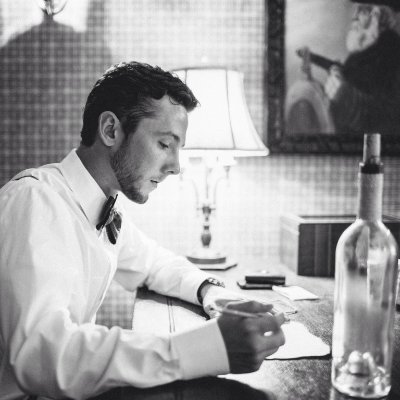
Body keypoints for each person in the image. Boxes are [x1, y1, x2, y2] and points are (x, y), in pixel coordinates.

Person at [0, 61, 285, 400]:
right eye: (165, 144)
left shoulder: (101, 204)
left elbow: (153, 263)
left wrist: (211, 291)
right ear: (110, 130)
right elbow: (42, 356)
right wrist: (206, 347)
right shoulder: (35, 201)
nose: (176, 167)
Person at [324, 0, 400, 135]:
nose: (355, 17)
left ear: (377, 16)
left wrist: (346, 96)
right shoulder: (364, 55)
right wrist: (340, 73)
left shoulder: (392, 53)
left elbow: (389, 117)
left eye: (363, 10)